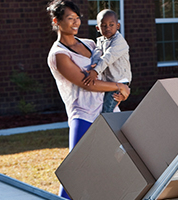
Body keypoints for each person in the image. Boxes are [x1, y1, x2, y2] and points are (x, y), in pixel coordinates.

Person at [45, 1, 130, 199]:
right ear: (57, 21)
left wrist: (123, 90)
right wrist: (119, 87)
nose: (75, 23)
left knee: (118, 164)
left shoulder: (91, 44)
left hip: (107, 110)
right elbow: (87, 83)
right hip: (83, 115)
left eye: (77, 18)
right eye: (70, 18)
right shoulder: (59, 55)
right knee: (75, 170)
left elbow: (110, 71)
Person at [82, 9, 131, 113]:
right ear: (97, 28)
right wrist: (95, 62)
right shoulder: (100, 40)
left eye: (111, 25)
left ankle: (105, 127)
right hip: (110, 80)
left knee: (107, 109)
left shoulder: (119, 42)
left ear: (118, 26)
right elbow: (97, 51)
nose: (107, 28)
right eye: (104, 25)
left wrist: (95, 71)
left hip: (119, 79)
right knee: (103, 105)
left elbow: (108, 57)